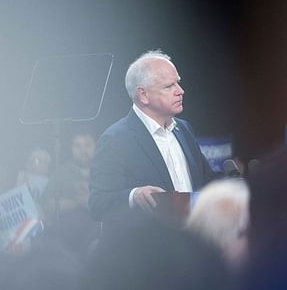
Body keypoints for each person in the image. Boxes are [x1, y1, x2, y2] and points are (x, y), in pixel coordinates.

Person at [89, 49, 218, 228]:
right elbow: (98, 204)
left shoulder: (184, 129)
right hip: (149, 250)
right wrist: (134, 195)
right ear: (143, 95)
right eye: (168, 86)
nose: (180, 91)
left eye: (178, 83)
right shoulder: (116, 139)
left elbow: (207, 181)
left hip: (191, 243)